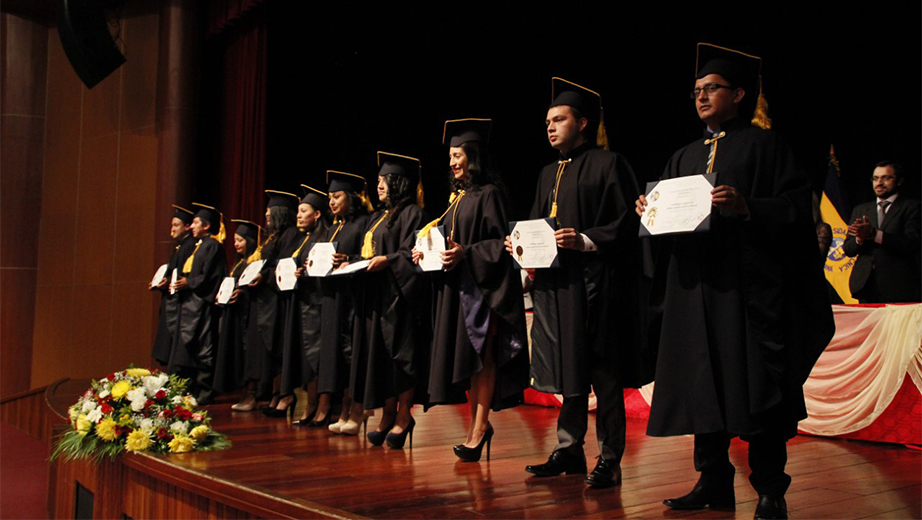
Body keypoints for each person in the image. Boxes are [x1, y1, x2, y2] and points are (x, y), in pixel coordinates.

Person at [636, 44, 834, 520]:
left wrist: (748, 207)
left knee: (758, 390)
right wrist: (649, 213)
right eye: (697, 90)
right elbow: (661, 227)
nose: (702, 97)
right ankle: (712, 481)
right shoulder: (683, 155)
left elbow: (795, 211)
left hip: (745, 295)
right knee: (702, 388)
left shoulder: (767, 146)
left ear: (740, 93)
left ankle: (769, 488)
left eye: (712, 88)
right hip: (693, 292)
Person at [516, 78, 647, 489]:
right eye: (548, 121)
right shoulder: (545, 173)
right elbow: (537, 225)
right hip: (556, 288)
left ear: (583, 122)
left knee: (603, 374)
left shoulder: (609, 164)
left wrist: (586, 240)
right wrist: (520, 246)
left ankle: (610, 457)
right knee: (566, 368)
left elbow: (628, 221)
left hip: (596, 285)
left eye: (559, 119)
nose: (550, 127)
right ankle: (569, 449)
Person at [419, 118, 529, 462]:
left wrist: (467, 252)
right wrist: (425, 249)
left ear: (474, 156)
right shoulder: (457, 198)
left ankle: (479, 429)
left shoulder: (489, 194)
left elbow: (501, 243)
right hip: (459, 291)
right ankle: (475, 428)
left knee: (483, 360)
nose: (452, 162)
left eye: (458, 155)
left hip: (483, 293)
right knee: (469, 362)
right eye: (450, 156)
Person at [348, 152, 430, 448]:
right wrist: (351, 261)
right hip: (375, 296)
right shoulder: (377, 217)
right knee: (379, 358)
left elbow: (414, 254)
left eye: (385, 180)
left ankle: (404, 416)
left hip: (400, 297)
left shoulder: (414, 214)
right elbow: (369, 253)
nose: (378, 185)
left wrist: (389, 260)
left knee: (400, 358)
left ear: (399, 183)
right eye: (379, 180)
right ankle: (386, 414)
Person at [316, 171, 372, 434]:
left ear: (351, 197)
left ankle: (357, 409)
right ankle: (344, 409)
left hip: (352, 297)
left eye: (337, 196)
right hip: (333, 298)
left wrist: (347, 258)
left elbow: (366, 256)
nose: (332, 202)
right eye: (329, 197)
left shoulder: (364, 223)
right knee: (338, 354)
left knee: (351, 353)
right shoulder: (333, 227)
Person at [239, 191, 302, 413]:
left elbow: (283, 264)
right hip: (265, 298)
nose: (265, 213)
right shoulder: (273, 236)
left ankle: (285, 394)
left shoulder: (291, 234)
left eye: (269, 210)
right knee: (266, 348)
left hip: (278, 299)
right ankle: (276, 393)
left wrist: (264, 276)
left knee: (277, 347)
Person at [169, 203, 229, 405]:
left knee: (203, 345)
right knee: (189, 346)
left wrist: (190, 282)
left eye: (195, 223)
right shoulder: (199, 246)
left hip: (202, 304)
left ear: (206, 226)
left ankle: (205, 389)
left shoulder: (213, 246)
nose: (192, 226)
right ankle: (191, 388)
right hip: (191, 303)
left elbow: (213, 276)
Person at [281, 185, 329, 425]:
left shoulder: (325, 237)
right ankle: (310, 403)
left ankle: (321, 404)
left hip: (318, 303)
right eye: (298, 211)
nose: (298, 215)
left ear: (317, 214)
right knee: (307, 357)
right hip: (302, 303)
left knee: (317, 356)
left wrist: (307, 273)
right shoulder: (303, 239)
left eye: (304, 211)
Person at [843, 161, 921, 303]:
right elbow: (848, 250)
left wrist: (875, 234)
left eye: (886, 178)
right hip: (865, 285)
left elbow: (912, 244)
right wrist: (859, 239)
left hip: (899, 286)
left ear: (899, 181)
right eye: (875, 178)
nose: (879, 182)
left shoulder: (912, 207)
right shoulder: (861, 210)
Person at [213, 219, 261, 396]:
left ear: (250, 241)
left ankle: (252, 393)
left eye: (240, 240)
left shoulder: (254, 262)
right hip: (234, 314)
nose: (236, 244)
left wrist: (241, 293)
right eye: (235, 240)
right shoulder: (238, 262)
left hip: (247, 315)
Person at [151, 205, 196, 366]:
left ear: (187, 226)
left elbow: (186, 273)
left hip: (181, 303)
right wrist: (164, 282)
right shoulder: (180, 246)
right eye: (172, 225)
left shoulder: (190, 245)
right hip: (172, 298)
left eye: (176, 225)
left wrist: (171, 282)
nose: (172, 229)